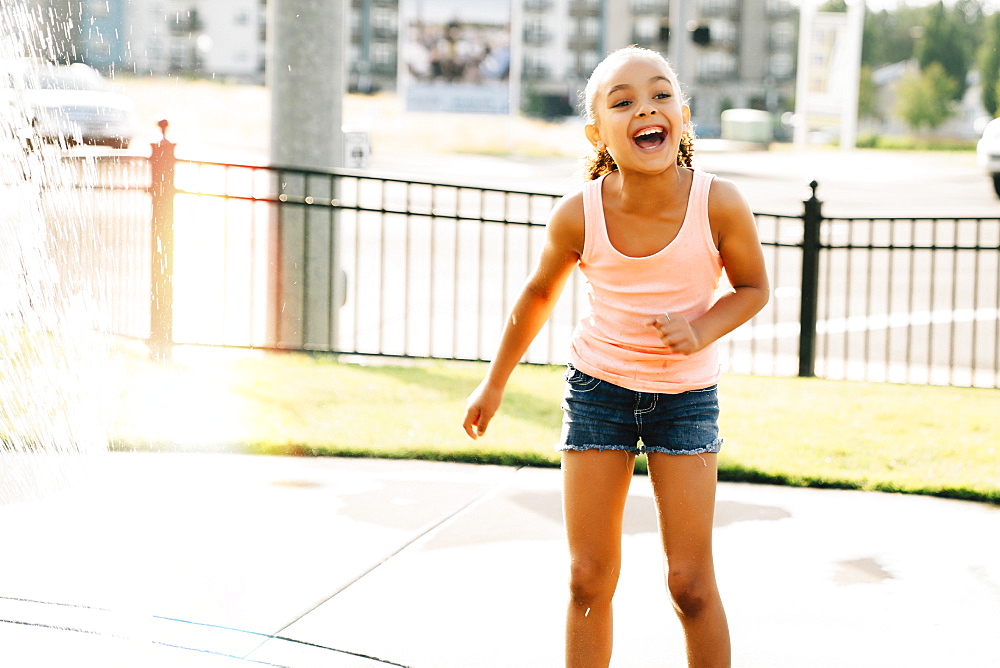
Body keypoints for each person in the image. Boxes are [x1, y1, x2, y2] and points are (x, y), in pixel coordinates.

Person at [462, 45, 769, 668]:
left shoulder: (719, 203)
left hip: (684, 403)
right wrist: (493, 385)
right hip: (598, 394)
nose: (644, 109)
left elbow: (754, 288)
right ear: (597, 131)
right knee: (587, 579)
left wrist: (702, 327)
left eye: (659, 96)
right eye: (622, 101)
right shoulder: (580, 214)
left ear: (681, 117)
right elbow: (539, 292)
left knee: (689, 585)